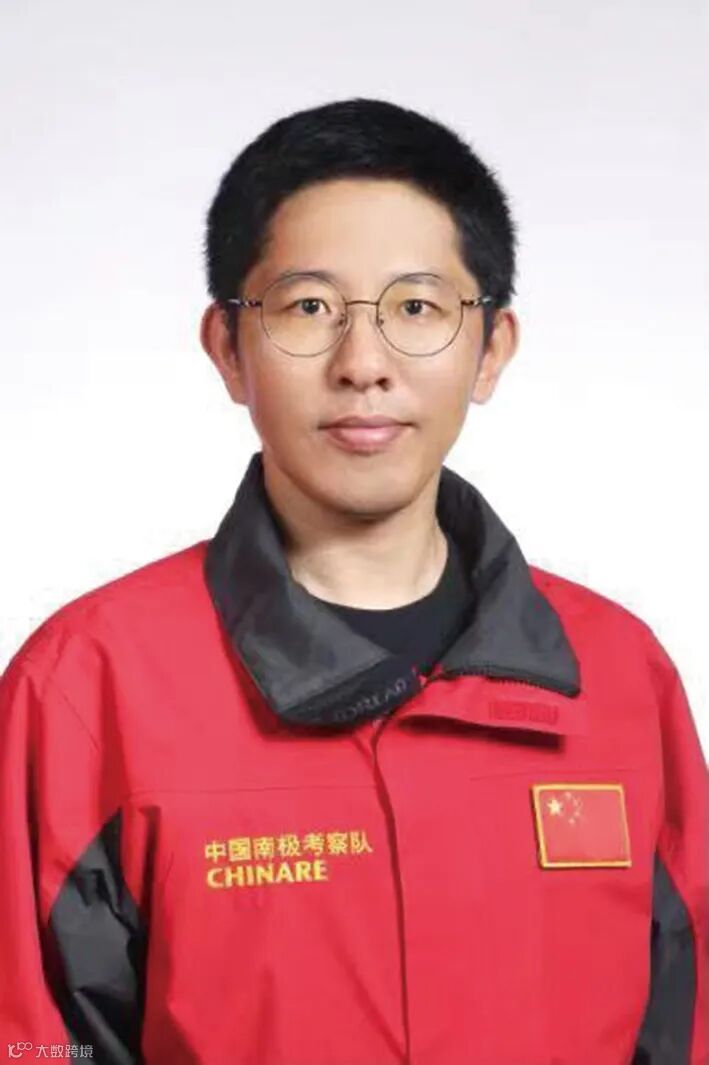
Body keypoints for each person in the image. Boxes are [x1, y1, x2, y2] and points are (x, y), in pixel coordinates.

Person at [0, 97, 706, 1065]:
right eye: (308, 308)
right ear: (228, 349)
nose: (363, 364)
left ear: (490, 348)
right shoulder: (88, 685)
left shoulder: (619, 674)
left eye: (416, 307)